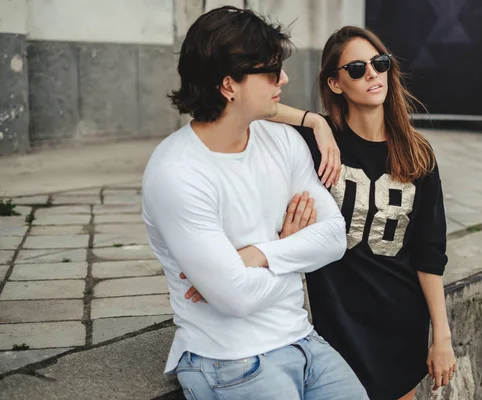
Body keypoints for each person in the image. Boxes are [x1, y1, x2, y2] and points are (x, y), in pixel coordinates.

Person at [183, 25, 457, 400]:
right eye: (357, 69)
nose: (373, 74)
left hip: (400, 321)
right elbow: (256, 110)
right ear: (335, 84)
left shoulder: (417, 153)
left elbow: (429, 252)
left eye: (379, 63)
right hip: (339, 320)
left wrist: (440, 336)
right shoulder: (314, 146)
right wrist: (314, 121)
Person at [142, 7, 368, 400]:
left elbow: (334, 237)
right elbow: (237, 298)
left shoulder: (283, 141)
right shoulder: (177, 172)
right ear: (229, 85)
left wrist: (258, 253)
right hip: (227, 361)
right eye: (270, 71)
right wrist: (289, 244)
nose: (283, 79)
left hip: (303, 341)